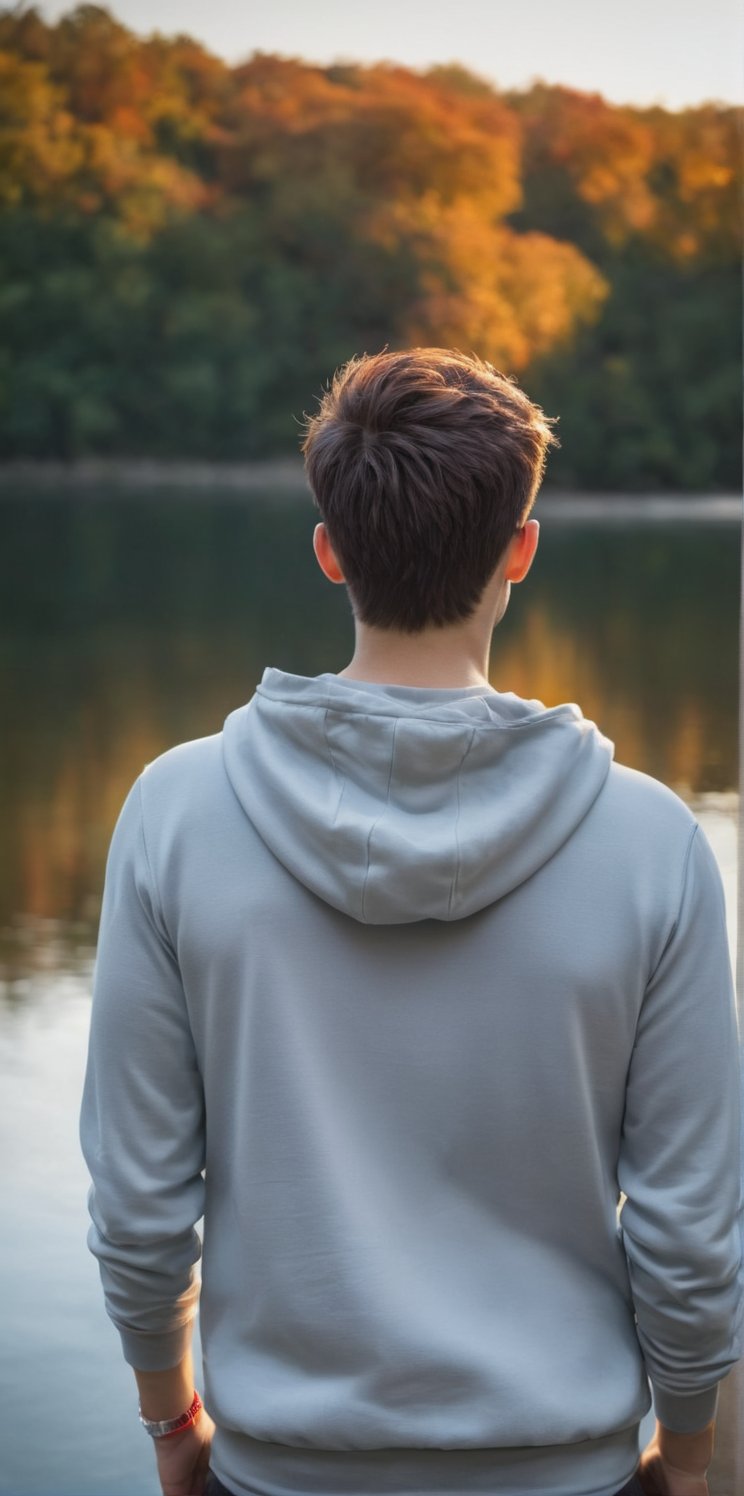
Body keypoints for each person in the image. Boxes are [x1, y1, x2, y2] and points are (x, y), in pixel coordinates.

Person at [80, 348, 742, 1496]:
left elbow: (141, 1200)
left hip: (279, 1470)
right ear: (520, 551)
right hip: (569, 1468)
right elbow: (689, 1226)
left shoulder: (176, 811)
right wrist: (686, 1453)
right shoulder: (653, 843)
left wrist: (171, 1420)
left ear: (330, 548)